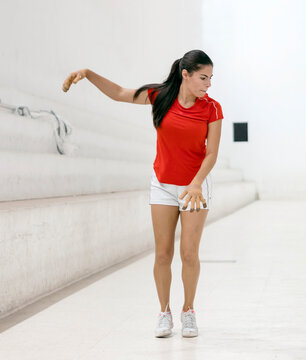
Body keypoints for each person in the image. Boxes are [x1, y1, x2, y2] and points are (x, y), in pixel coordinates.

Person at [62, 50, 224, 338]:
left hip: (195, 188)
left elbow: (211, 153)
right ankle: (164, 312)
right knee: (163, 254)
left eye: (211, 78)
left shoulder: (212, 108)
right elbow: (120, 93)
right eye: (203, 77)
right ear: (185, 74)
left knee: (189, 253)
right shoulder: (159, 96)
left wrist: (197, 182)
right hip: (162, 184)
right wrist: (87, 73)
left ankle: (188, 311)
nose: (208, 84)